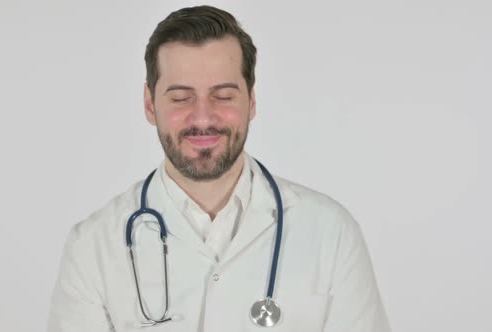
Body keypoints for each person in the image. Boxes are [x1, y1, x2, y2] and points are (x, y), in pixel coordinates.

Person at [48, 5, 390, 332]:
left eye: (223, 95)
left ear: (251, 102)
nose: (202, 117)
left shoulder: (331, 234)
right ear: (150, 105)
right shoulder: (92, 247)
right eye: (181, 97)